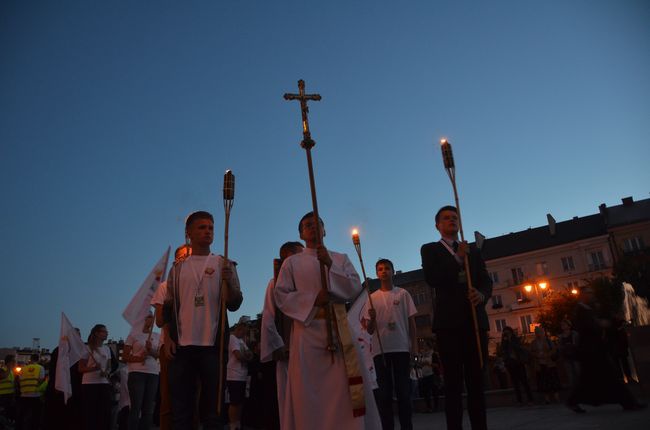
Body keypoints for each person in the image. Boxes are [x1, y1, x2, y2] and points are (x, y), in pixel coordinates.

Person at [274, 212, 381, 430]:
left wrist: (330, 265)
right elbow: (282, 296)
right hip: (308, 332)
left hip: (340, 329)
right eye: (307, 225)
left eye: (317, 224)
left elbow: (353, 288)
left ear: (324, 230)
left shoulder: (340, 258)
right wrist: (313, 299)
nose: (313, 228)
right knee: (312, 391)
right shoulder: (292, 263)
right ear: (301, 234)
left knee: (344, 388)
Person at [162, 211, 243, 430]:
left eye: (211, 228)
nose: (207, 231)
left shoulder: (223, 263)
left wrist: (229, 283)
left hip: (213, 347)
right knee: (181, 408)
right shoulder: (177, 269)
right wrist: (168, 337)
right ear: (189, 233)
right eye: (201, 227)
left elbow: (235, 303)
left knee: (213, 409)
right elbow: (169, 306)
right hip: (182, 346)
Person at [420, 205, 492, 430]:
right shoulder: (431, 249)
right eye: (446, 218)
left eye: (454, 217)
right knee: (453, 384)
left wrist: (481, 294)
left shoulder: (474, 251)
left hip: (474, 321)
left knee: (476, 383)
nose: (451, 220)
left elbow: (485, 281)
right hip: (448, 325)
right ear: (438, 225)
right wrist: (457, 259)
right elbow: (433, 278)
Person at [566, 286, 646, 413]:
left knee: (591, 379)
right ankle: (628, 402)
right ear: (582, 295)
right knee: (602, 378)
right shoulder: (580, 310)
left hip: (595, 351)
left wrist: (601, 323)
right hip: (591, 352)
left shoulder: (587, 309)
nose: (591, 295)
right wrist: (599, 324)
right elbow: (585, 328)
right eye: (589, 293)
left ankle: (628, 402)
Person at [365, 258, 417, 430]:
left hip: (401, 348)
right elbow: (369, 330)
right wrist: (372, 318)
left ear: (393, 271)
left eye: (387, 268)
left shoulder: (403, 294)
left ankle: (406, 426)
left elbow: (412, 323)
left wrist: (414, 347)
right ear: (376, 273)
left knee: (404, 393)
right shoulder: (371, 299)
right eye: (380, 269)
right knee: (384, 395)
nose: (384, 271)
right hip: (381, 351)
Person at [260, 241, 304, 430]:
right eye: (299, 254)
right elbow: (268, 317)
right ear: (287, 257)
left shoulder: (306, 280)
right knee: (288, 397)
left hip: (308, 345)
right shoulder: (275, 283)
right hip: (287, 347)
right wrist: (278, 344)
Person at [152, 244, 191, 430]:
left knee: (193, 396)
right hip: (171, 345)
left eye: (191, 255)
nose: (188, 258)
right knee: (169, 397)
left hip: (195, 345)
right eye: (183, 256)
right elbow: (159, 320)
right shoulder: (165, 286)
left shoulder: (199, 282)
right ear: (176, 260)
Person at [123, 313, 160, 430]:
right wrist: (139, 358)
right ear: (142, 319)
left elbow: (158, 355)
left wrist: (150, 350)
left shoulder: (157, 336)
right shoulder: (133, 335)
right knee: (136, 407)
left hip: (153, 373)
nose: (151, 319)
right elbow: (124, 356)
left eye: (151, 316)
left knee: (148, 408)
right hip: (137, 373)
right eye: (149, 316)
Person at [78, 324, 115, 430]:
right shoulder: (87, 348)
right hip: (89, 384)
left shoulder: (107, 349)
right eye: (104, 331)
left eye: (106, 331)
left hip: (103, 383)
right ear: (97, 333)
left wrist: (106, 372)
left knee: (104, 411)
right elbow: (80, 368)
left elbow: (109, 367)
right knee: (90, 412)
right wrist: (94, 368)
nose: (106, 333)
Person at [227, 320, 253, 430]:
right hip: (234, 375)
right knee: (234, 401)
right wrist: (247, 357)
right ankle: (232, 425)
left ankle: (238, 423)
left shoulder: (241, 340)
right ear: (239, 329)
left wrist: (247, 356)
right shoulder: (232, 338)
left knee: (240, 401)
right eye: (244, 332)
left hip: (242, 376)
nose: (244, 335)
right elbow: (238, 355)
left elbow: (250, 354)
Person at [498, 326, 533, 405]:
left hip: (519, 363)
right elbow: (502, 350)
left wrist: (510, 340)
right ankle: (519, 400)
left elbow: (519, 347)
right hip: (510, 364)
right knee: (515, 383)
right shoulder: (504, 341)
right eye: (504, 332)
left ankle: (530, 399)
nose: (506, 334)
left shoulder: (515, 339)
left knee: (524, 382)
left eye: (507, 332)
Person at [529, 326, 561, 404]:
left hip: (549, 363)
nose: (538, 334)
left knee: (553, 380)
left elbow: (554, 349)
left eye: (540, 332)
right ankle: (547, 399)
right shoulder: (533, 343)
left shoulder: (548, 341)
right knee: (543, 381)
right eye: (537, 332)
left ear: (543, 332)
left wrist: (546, 355)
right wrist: (537, 355)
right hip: (540, 364)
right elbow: (531, 352)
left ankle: (556, 397)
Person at [16, 353, 45, 430]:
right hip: (35, 395)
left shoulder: (23, 368)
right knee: (36, 415)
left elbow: (19, 380)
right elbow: (41, 380)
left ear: (30, 359)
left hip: (24, 395)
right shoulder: (40, 368)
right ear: (38, 359)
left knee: (22, 415)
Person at [558, 319, 580, 390]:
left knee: (578, 373)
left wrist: (573, 346)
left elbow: (579, 344)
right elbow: (560, 347)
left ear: (568, 325)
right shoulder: (561, 336)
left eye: (564, 324)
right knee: (570, 375)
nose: (562, 326)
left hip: (575, 356)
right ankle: (574, 390)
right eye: (561, 325)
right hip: (566, 358)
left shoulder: (574, 334)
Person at [0, 354, 17, 425]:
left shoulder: (11, 372)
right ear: (9, 362)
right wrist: (9, 367)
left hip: (10, 395)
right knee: (2, 413)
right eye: (13, 361)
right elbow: (3, 376)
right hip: (2, 396)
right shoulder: (2, 369)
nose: (15, 363)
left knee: (9, 412)